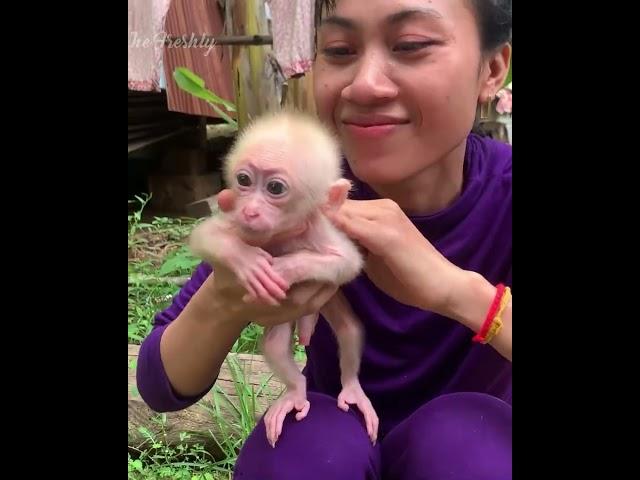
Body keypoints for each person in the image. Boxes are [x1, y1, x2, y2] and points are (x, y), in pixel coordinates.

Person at [136, 0, 512, 478]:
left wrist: (462, 294)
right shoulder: (294, 190)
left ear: (492, 68)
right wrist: (225, 300)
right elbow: (160, 382)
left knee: (466, 440)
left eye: (411, 45)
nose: (364, 84)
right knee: (304, 447)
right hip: (328, 449)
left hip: (473, 456)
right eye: (339, 50)